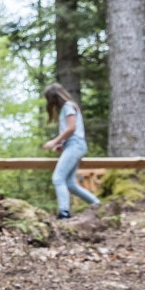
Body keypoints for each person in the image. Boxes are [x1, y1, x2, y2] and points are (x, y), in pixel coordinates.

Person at [42, 83, 100, 219]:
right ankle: (97, 204)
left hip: (76, 145)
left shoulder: (68, 107)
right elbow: (71, 131)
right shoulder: (67, 108)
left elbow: (72, 128)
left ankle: (64, 212)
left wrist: (54, 141)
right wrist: (62, 144)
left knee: (57, 178)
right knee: (70, 184)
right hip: (72, 145)